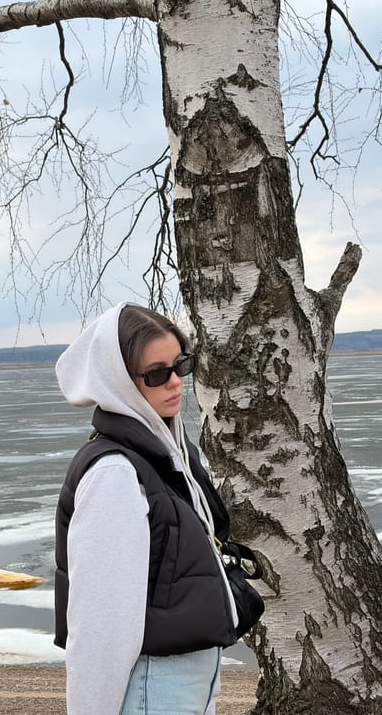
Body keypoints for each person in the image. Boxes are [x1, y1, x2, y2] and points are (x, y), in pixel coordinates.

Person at [53, 302, 238, 715]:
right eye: (156, 374)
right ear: (118, 381)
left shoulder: (166, 454)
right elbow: (101, 624)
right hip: (150, 688)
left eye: (181, 365)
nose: (175, 383)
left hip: (176, 685)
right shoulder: (115, 474)